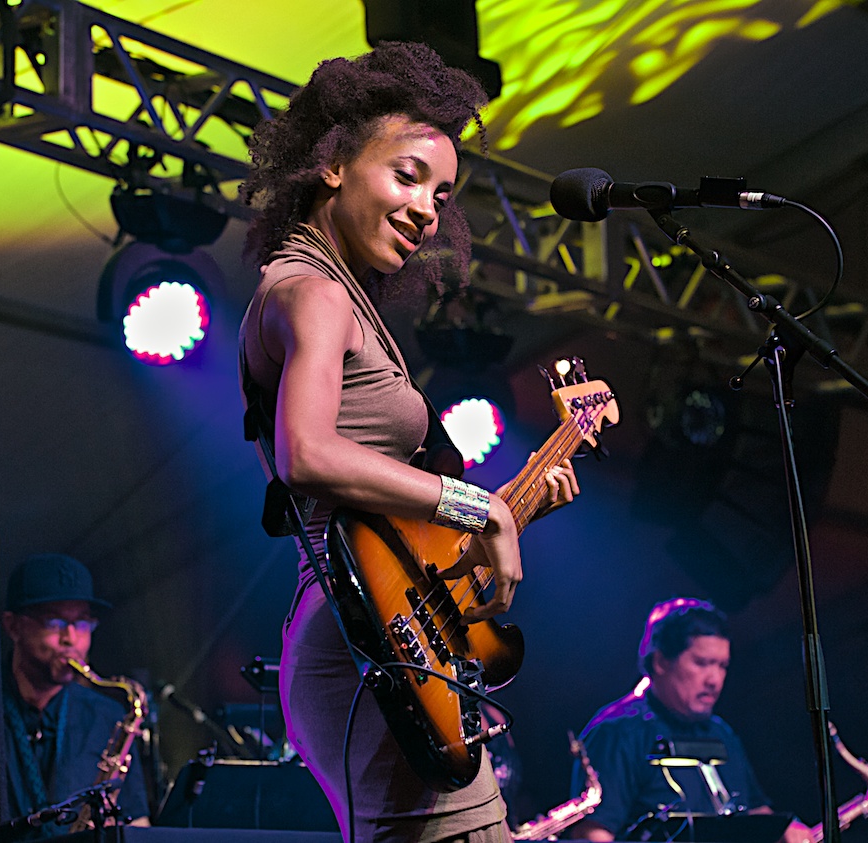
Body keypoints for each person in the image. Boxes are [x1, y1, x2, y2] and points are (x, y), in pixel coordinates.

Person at [238, 41, 578, 843]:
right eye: (407, 175)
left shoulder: (338, 295)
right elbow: (307, 454)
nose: (430, 208)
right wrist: (477, 506)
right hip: (360, 637)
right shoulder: (313, 290)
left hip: (383, 622)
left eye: (444, 192)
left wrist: (515, 507)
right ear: (332, 165)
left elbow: (399, 527)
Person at [568, 598, 813, 842]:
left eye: (722, 666)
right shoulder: (617, 733)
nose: (714, 680)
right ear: (661, 661)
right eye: (702, 663)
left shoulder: (721, 732)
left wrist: (789, 831)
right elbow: (592, 834)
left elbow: (756, 811)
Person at [1, 553, 150, 836]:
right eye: (54, 622)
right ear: (13, 626)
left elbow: (137, 824)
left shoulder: (108, 715)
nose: (71, 639)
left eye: (82, 623)